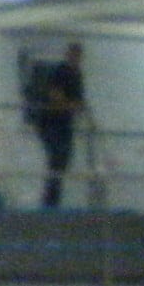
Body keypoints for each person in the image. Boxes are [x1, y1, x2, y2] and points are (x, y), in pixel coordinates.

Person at [29, 41, 85, 209]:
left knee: (63, 160)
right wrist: (70, 105)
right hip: (50, 122)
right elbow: (55, 96)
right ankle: (49, 201)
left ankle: (53, 200)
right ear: (68, 55)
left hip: (64, 123)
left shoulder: (77, 75)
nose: (76, 58)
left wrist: (75, 107)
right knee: (56, 158)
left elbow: (79, 102)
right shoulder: (60, 71)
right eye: (74, 55)